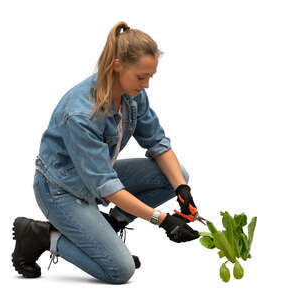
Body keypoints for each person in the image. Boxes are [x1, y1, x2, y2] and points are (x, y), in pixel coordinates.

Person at [11, 21, 200, 285]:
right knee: (120, 270)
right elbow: (106, 186)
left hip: (96, 176)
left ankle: (109, 226)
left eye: (150, 76)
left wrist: (181, 189)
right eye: (141, 77)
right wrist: (163, 220)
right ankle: (43, 236)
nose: (146, 85)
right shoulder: (80, 113)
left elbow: (157, 142)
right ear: (117, 65)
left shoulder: (131, 94)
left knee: (178, 174)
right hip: (62, 189)